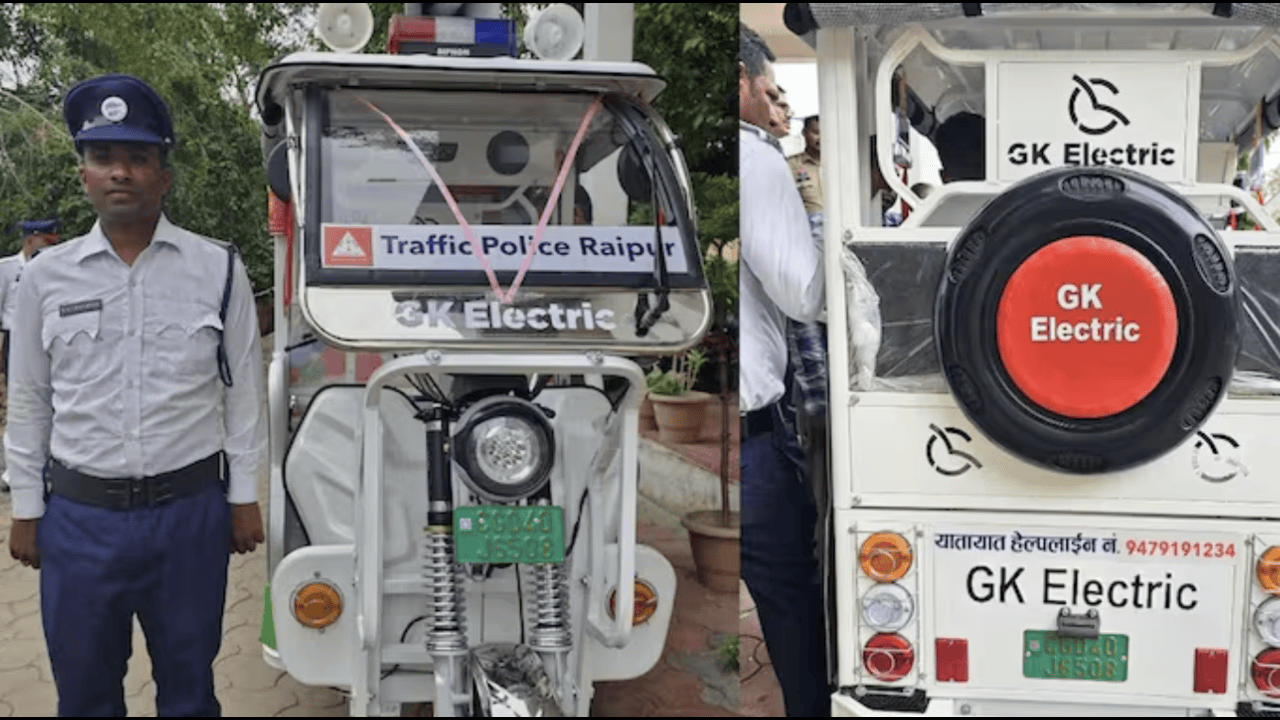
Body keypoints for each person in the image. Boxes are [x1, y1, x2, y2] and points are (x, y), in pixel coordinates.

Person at [5, 73, 266, 717]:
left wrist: (244, 499)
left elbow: (243, 397)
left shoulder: (219, 268)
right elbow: (31, 397)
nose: (120, 171)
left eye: (138, 157)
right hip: (80, 520)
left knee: (188, 686)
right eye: (103, 158)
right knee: (86, 690)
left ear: (163, 175)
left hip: (189, 517)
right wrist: (27, 507)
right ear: (83, 174)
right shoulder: (44, 279)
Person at [739, 24, 830, 717]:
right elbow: (805, 293)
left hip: (746, 421)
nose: (778, 109)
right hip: (755, 437)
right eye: (771, 91)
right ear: (741, 82)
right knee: (789, 597)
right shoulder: (758, 160)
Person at [0, 219, 60, 492]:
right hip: (15, 339)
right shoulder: (6, 269)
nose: (52, 244)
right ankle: (15, 473)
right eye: (46, 239)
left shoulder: (55, 267)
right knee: (21, 404)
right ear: (30, 239)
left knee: (52, 403)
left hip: (49, 338)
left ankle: (49, 467)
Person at [788, 115, 823, 214]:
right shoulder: (792, 164)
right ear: (804, 133)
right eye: (816, 133)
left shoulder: (838, 164)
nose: (821, 138)